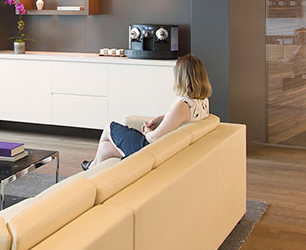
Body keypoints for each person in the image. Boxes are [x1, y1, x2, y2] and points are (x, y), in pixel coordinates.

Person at [81, 54, 212, 170]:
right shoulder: (202, 101)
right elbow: (183, 118)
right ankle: (94, 168)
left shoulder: (182, 105)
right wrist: (161, 119)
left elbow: (154, 138)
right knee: (105, 149)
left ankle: (91, 168)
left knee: (109, 127)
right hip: (164, 149)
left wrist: (147, 131)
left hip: (150, 150)